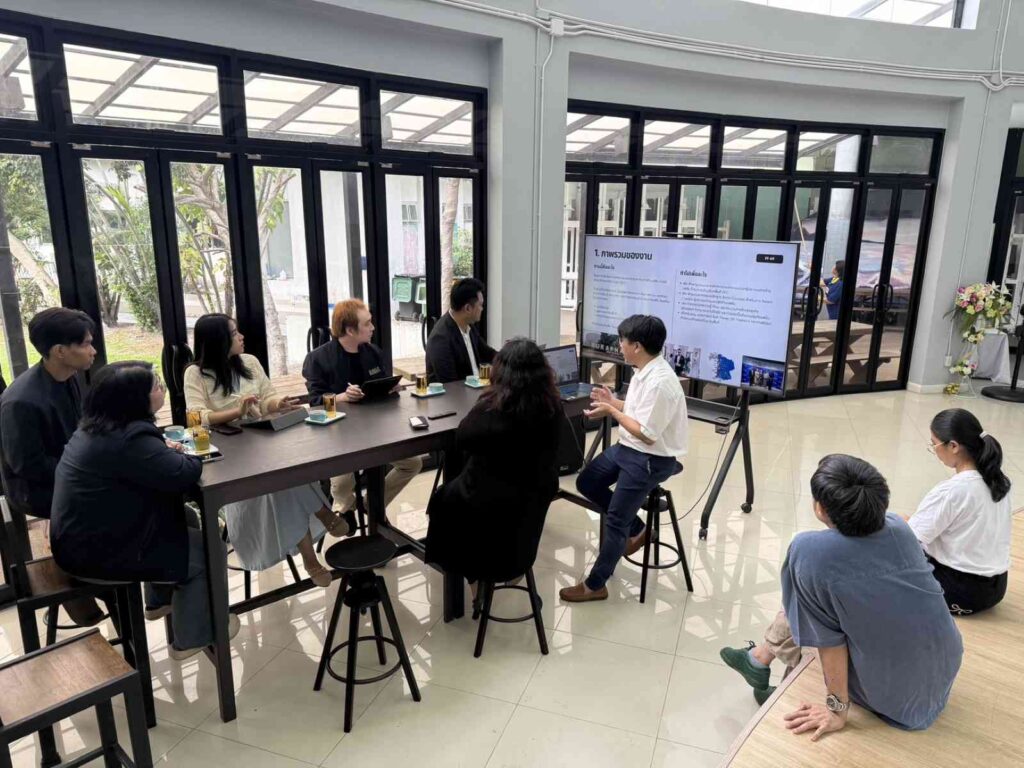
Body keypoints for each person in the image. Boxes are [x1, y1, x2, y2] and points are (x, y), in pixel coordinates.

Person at [720, 454, 963, 738]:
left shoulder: (809, 550)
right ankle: (758, 660)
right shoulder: (899, 527)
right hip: (942, 668)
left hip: (895, 696)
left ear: (820, 508)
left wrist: (836, 711)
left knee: (804, 604)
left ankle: (768, 672)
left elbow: (828, 641)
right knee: (813, 594)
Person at [50, 361, 239, 661]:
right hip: (96, 554)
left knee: (186, 516)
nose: (162, 389)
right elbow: (183, 473)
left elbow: (150, 465)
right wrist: (187, 454)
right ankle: (194, 637)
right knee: (209, 550)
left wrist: (164, 452)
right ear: (136, 399)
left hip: (79, 538)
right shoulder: (131, 437)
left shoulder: (98, 426)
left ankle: (159, 600)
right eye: (156, 386)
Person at [183, 314, 344, 587]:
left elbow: (267, 397)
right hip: (230, 455)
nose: (241, 336)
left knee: (285, 474)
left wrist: (279, 403)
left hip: (262, 441)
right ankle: (319, 521)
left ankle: (311, 556)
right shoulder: (195, 374)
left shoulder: (249, 362)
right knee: (280, 483)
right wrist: (237, 411)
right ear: (218, 341)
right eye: (234, 333)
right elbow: (197, 417)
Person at [559, 315, 688, 603]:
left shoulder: (661, 383)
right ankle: (638, 529)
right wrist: (613, 402)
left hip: (651, 458)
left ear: (637, 346)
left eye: (622, 341)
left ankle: (595, 585)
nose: (619, 345)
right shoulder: (644, 370)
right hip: (630, 448)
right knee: (587, 482)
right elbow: (637, 411)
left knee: (616, 520)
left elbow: (647, 434)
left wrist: (612, 412)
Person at [425, 338, 562, 593]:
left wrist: (486, 398)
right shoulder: (553, 407)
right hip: (524, 527)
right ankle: (503, 572)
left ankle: (472, 580)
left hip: (488, 515)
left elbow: (462, 437)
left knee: (444, 500)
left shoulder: (492, 411)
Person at [0, 307, 106, 626]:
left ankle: (100, 578)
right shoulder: (21, 401)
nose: (93, 350)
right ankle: (87, 577)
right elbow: (28, 466)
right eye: (86, 344)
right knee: (115, 502)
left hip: (68, 469)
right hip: (35, 488)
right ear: (60, 351)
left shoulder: (68, 376)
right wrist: (84, 472)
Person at [302, 299, 422, 528]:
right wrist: (341, 397)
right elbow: (315, 402)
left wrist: (391, 388)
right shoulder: (318, 359)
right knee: (342, 483)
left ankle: (371, 505)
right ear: (350, 330)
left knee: (413, 463)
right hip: (339, 436)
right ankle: (345, 511)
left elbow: (383, 386)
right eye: (367, 323)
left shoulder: (373, 352)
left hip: (376, 431)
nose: (373, 327)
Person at [910, 408, 1013, 615]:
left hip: (959, 591)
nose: (934, 450)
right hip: (995, 588)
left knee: (894, 543)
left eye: (934, 444)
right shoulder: (999, 481)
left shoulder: (952, 490)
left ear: (953, 446)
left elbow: (911, 539)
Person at [425, 277, 495, 383]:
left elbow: (488, 353)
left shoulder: (468, 326)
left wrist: (512, 355)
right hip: (456, 392)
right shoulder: (440, 338)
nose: (482, 309)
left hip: (475, 388)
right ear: (468, 308)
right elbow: (451, 384)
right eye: (480, 305)